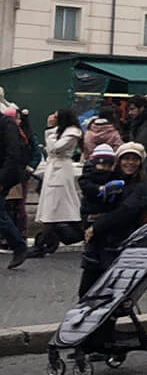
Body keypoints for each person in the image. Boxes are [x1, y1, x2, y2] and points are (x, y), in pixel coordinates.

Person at [80, 142, 147, 297]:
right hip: (97, 245)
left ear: (140, 163)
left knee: (108, 295)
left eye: (135, 159)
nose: (130, 163)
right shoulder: (108, 179)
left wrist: (96, 226)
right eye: (126, 158)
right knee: (86, 292)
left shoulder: (141, 186)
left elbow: (125, 212)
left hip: (119, 245)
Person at [25, 108, 83, 261]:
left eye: (56, 116)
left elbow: (55, 148)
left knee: (53, 205)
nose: (52, 118)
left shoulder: (72, 132)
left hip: (61, 172)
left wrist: (50, 130)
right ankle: (46, 239)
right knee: (50, 205)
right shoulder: (62, 130)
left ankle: (44, 241)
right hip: (54, 170)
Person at [0, 108, 30, 267]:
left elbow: (13, 154)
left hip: (4, 174)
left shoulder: (6, 124)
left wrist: (2, 179)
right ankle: (19, 246)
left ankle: (19, 245)